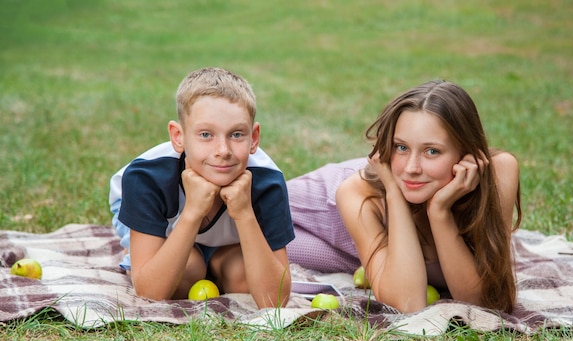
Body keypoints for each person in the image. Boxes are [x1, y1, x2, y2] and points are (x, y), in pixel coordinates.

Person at [287, 80, 521, 313]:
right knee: (258, 253)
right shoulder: (357, 191)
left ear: (466, 152)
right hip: (308, 216)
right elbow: (407, 304)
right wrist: (393, 192)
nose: (411, 168)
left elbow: (487, 302)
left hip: (353, 250)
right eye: (401, 147)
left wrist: (439, 213)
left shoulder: (498, 172)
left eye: (432, 151)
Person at [109, 67, 294, 308]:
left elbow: (275, 300)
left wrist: (245, 213)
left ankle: (215, 260)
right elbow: (150, 293)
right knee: (187, 270)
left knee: (240, 277)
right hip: (158, 221)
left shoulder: (267, 183)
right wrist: (194, 210)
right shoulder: (147, 177)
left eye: (236, 134)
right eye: (206, 134)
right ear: (178, 136)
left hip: (226, 237)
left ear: (254, 137)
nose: (223, 151)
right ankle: (138, 256)